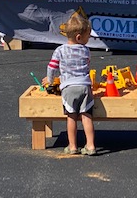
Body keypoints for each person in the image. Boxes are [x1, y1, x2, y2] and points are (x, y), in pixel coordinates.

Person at [41, 11, 96, 155]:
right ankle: (90, 146)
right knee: (86, 116)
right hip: (84, 86)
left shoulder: (60, 50)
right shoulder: (86, 50)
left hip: (68, 87)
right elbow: (86, 66)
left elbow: (52, 67)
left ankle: (72, 146)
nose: (89, 38)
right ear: (79, 37)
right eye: (88, 36)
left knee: (71, 117)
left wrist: (50, 80)